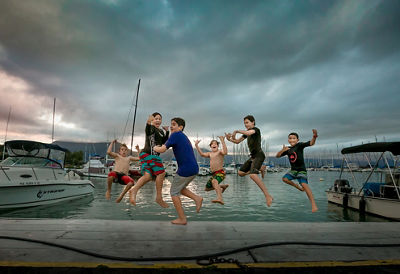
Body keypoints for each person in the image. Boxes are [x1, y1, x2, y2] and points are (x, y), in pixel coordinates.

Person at [153, 117, 203, 225]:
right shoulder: (183, 137)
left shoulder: (175, 135)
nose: (171, 126)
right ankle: (197, 198)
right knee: (181, 189)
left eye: (174, 124)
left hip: (185, 169)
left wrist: (155, 148)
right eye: (171, 124)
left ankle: (182, 219)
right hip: (194, 168)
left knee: (174, 192)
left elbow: (162, 149)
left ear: (180, 127)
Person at [225, 115, 273, 207]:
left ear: (253, 122)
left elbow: (249, 133)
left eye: (247, 122)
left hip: (259, 155)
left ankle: (267, 196)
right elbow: (237, 141)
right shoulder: (246, 133)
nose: (245, 125)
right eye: (244, 123)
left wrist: (237, 131)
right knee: (240, 173)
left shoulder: (256, 130)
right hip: (253, 157)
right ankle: (261, 168)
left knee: (252, 175)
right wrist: (229, 139)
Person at [129, 113, 169, 208]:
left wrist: (167, 132)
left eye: (160, 119)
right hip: (150, 155)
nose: (158, 120)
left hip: (146, 155)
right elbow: (147, 128)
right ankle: (159, 197)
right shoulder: (151, 128)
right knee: (161, 173)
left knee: (148, 176)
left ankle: (134, 190)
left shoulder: (161, 131)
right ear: (153, 120)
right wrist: (148, 121)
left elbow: (164, 142)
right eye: (156, 118)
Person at [276, 129, 318, 212]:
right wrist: (282, 150)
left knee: (305, 185)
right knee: (285, 179)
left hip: (301, 170)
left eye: (294, 138)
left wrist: (314, 137)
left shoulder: (299, 145)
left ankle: (313, 204)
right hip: (293, 170)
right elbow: (277, 156)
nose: (292, 140)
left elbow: (311, 143)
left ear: (297, 140)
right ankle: (297, 187)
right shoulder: (287, 149)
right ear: (288, 140)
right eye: (290, 138)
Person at [195, 136, 229, 205]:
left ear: (217, 146)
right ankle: (222, 186)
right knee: (207, 188)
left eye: (215, 144)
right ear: (210, 146)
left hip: (220, 173)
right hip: (214, 174)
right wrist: (196, 145)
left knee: (214, 182)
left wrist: (222, 140)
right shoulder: (210, 154)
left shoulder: (219, 152)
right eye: (212, 144)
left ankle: (220, 198)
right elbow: (202, 154)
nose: (214, 145)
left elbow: (225, 152)